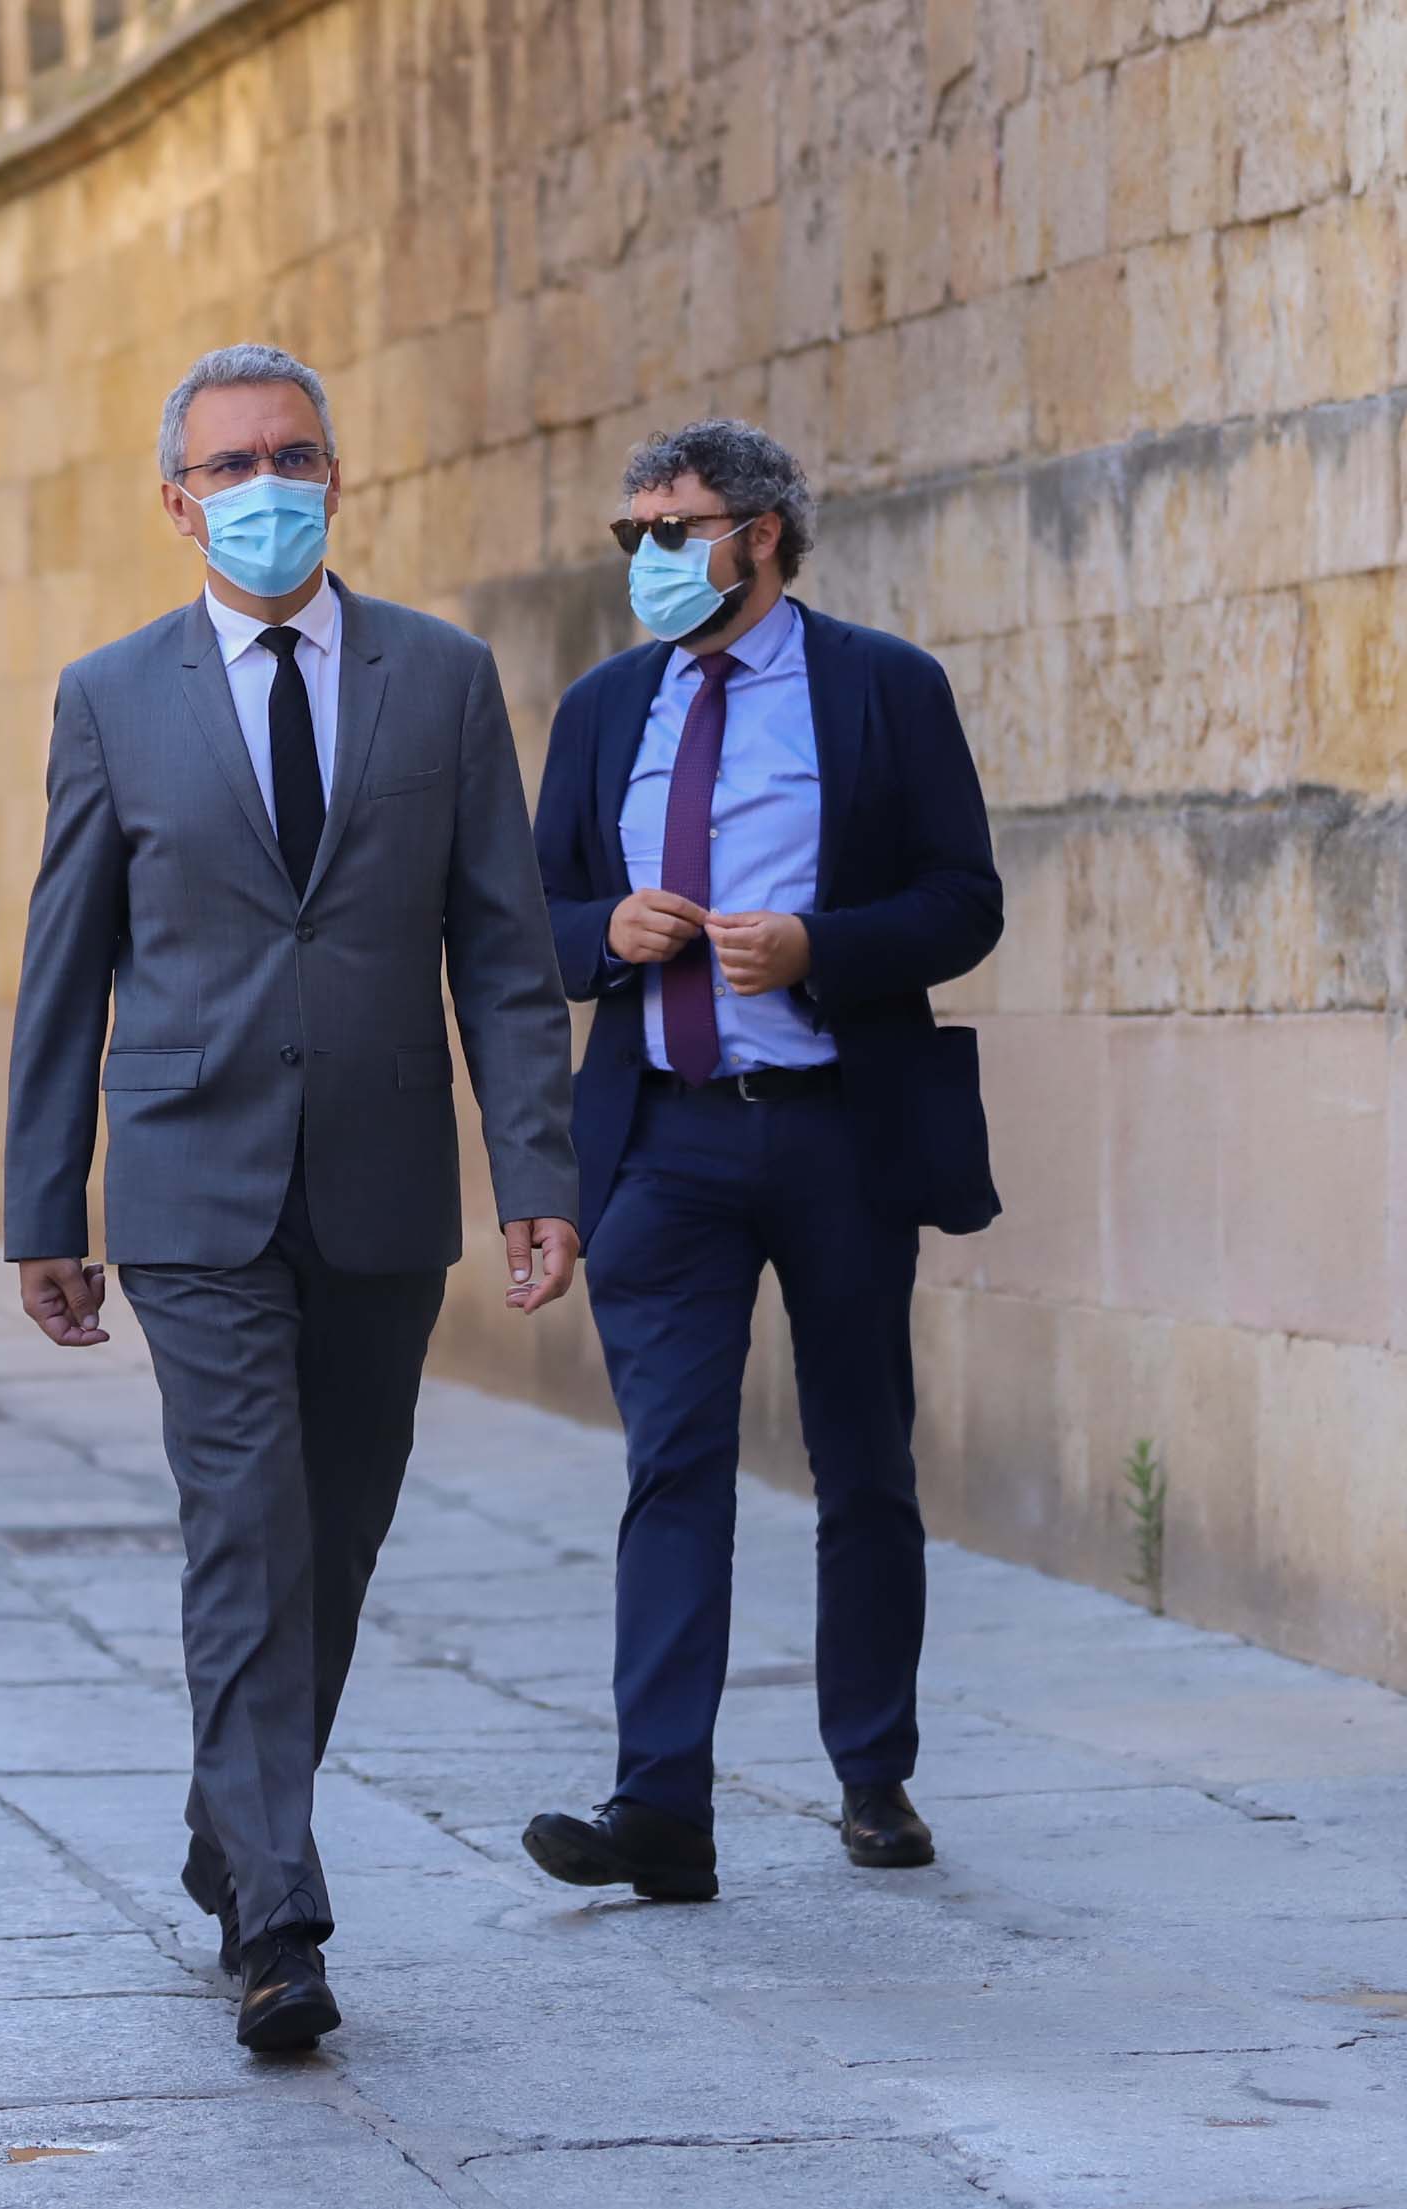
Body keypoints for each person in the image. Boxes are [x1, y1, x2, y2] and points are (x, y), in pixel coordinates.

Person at [3, 344, 579, 2053]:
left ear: (340, 475)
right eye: (234, 464)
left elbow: (502, 944)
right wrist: (49, 1195)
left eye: (296, 454)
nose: (270, 485)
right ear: (180, 500)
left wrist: (537, 1163)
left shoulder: (442, 678)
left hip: (386, 1184)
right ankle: (280, 1909)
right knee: (247, 1523)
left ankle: (228, 1814)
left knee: (335, 1535)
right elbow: (65, 963)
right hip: (193, 1180)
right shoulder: (113, 696)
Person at [521, 420, 1002, 1900]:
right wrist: (602, 932)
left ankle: (874, 1771)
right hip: (660, 1139)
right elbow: (531, 916)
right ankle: (660, 1806)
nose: (653, 560)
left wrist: (820, 949)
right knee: (673, 1465)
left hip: (838, 1132)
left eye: (680, 530)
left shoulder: (881, 688)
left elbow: (965, 899)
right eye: (635, 536)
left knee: (862, 1456)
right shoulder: (605, 708)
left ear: (767, 533)